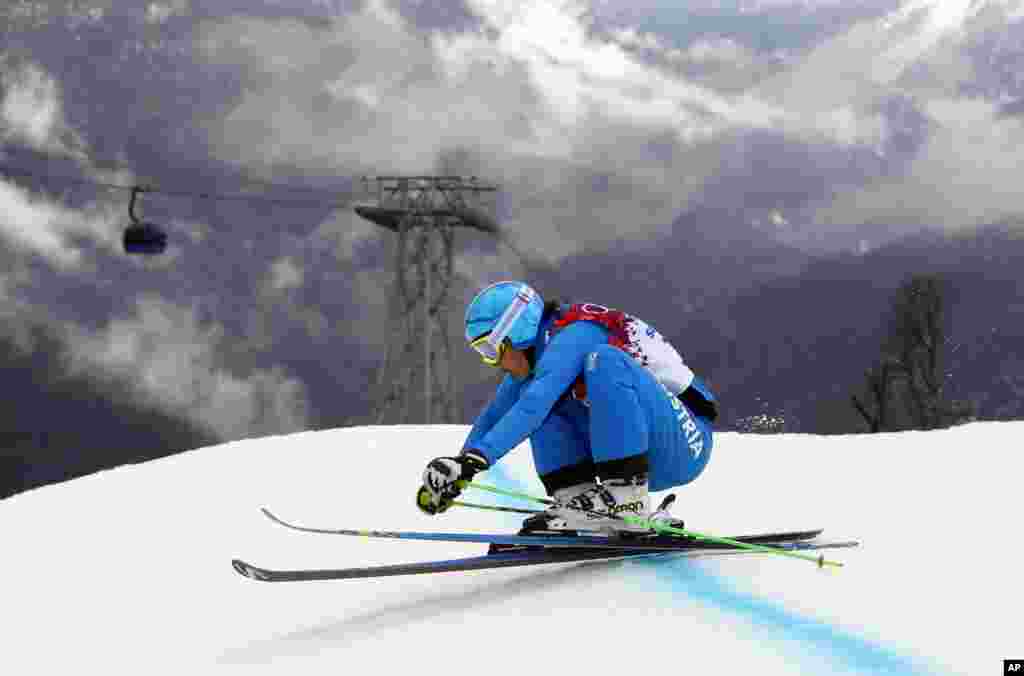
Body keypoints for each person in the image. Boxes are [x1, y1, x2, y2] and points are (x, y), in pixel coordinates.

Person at [416, 281, 717, 534]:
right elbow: (497, 416)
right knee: (535, 395)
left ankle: (625, 499)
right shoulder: (540, 353)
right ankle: (578, 501)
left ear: (517, 331)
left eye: (490, 349)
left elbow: (533, 406)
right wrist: (459, 468)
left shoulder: (575, 334)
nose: (491, 361)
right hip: (646, 442)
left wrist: (474, 461)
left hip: (685, 443)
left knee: (602, 362)